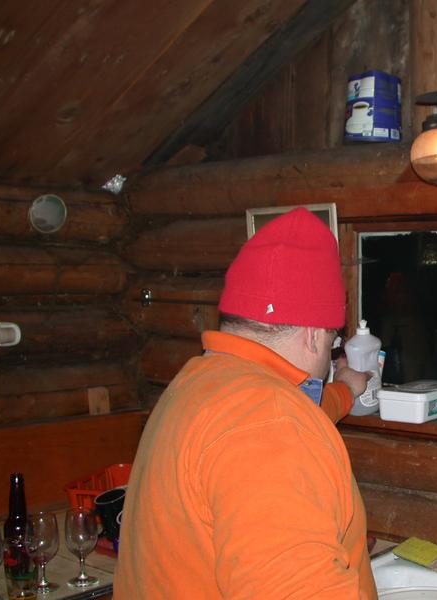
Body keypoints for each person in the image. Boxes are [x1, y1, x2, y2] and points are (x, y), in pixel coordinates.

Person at [114, 208, 378, 599]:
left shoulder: (198, 383)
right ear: (312, 336)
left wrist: (344, 391)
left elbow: (279, 424)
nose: (330, 348)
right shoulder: (274, 425)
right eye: (332, 339)